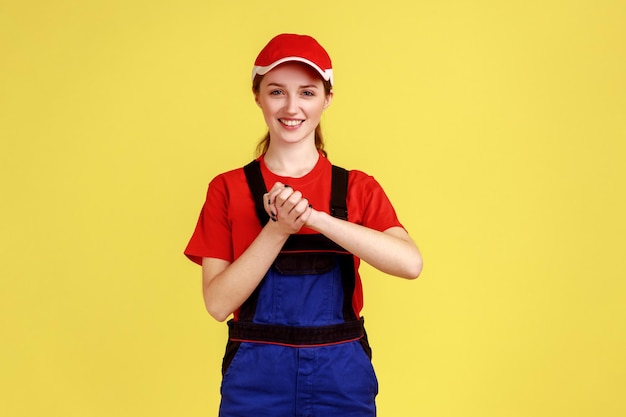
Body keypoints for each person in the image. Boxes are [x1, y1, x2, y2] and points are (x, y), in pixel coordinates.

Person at [185, 33, 422, 417]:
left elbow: (410, 264)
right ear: (257, 95)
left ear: (327, 98)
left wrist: (315, 219)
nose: (292, 106)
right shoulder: (227, 188)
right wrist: (276, 230)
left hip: (341, 382)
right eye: (277, 91)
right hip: (255, 385)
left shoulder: (357, 188)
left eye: (307, 93)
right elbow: (217, 303)